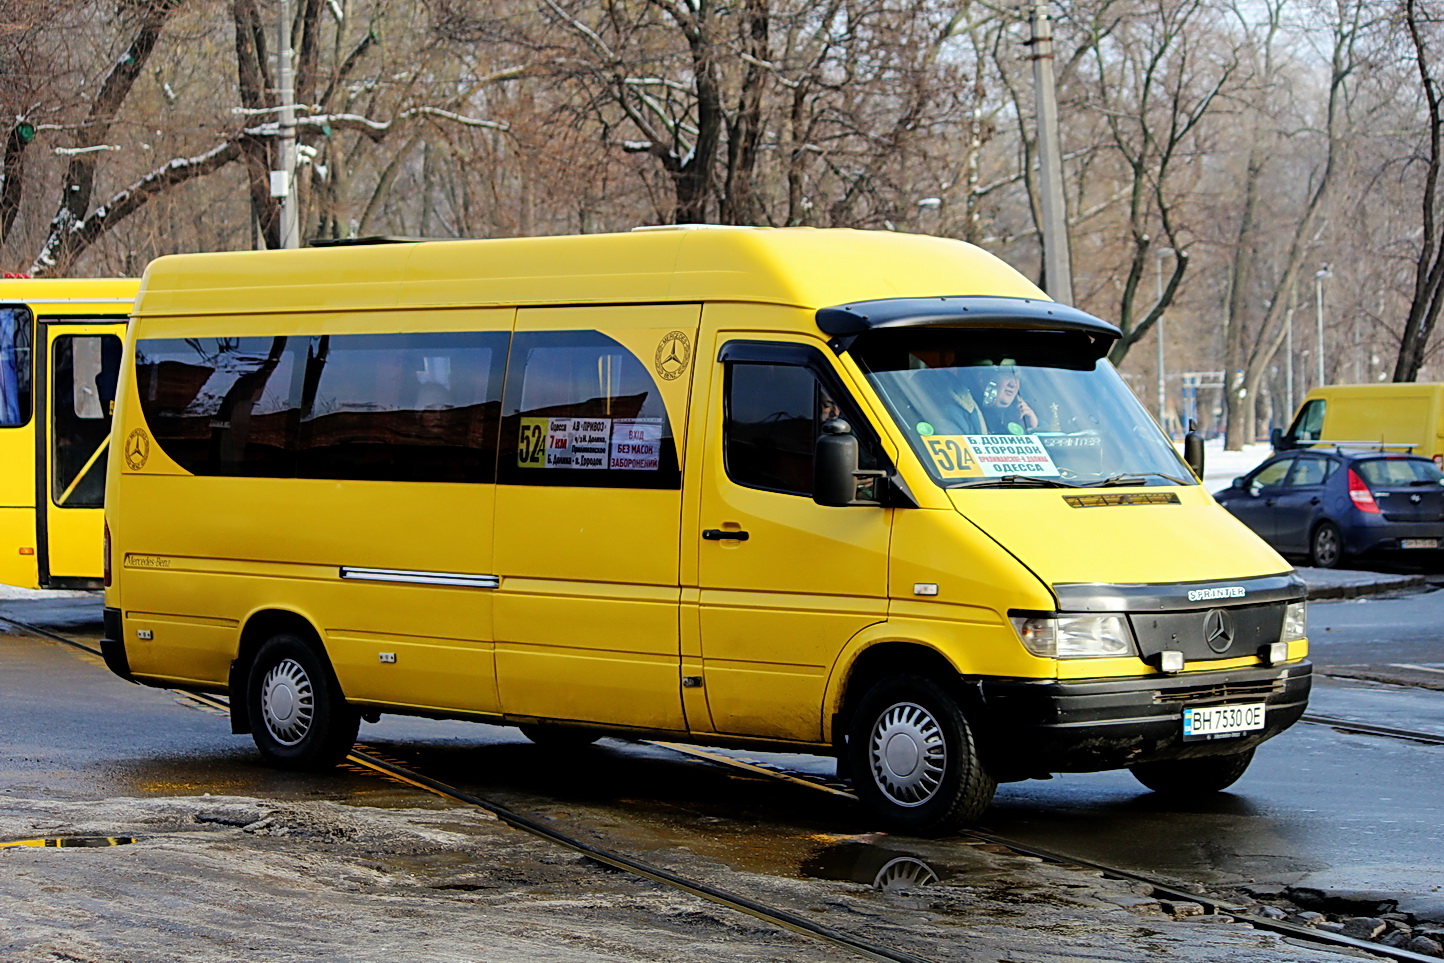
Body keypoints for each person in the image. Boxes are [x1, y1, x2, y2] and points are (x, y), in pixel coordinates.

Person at [982, 364, 1037, 435]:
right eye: (1007, 376)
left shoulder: (1023, 415)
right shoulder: (968, 414)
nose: (1013, 384)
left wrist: (1031, 429)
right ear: (983, 378)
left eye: (1017, 378)